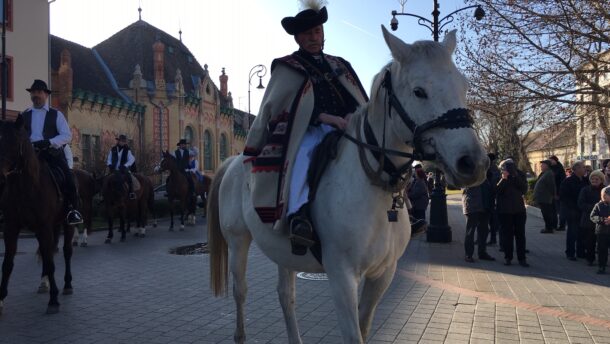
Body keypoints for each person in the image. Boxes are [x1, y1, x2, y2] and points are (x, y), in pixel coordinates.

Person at [242, 2, 368, 252]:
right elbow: (276, 108)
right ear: (298, 37)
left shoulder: (340, 64)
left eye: (317, 32)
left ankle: (399, 204)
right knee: (303, 156)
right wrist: (323, 118)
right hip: (309, 129)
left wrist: (356, 115)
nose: (314, 37)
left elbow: (358, 98)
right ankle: (298, 215)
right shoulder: (288, 67)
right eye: (308, 34)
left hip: (348, 127)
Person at [18, 79, 83, 225]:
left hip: (51, 154)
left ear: (46, 95)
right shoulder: (24, 115)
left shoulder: (56, 114)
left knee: (69, 177)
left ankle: (73, 210)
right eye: (33, 92)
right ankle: (8, 209)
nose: (36, 95)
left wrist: (49, 142)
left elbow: (67, 135)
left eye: (39, 92)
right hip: (30, 154)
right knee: (9, 175)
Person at [496, 159, 529, 267]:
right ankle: (508, 257)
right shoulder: (500, 175)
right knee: (507, 235)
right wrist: (504, 179)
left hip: (519, 210)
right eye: (507, 166)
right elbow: (496, 191)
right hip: (505, 211)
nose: (509, 168)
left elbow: (524, 189)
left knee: (520, 235)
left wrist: (515, 177)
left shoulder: (519, 174)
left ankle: (522, 258)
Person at [462, 178, 496, 263]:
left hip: (485, 206)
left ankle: (482, 253)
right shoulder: (469, 172)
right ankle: (468, 254)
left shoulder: (487, 172)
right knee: (470, 231)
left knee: (484, 231)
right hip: (473, 205)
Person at [560, 161, 588, 261]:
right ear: (576, 169)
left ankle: (581, 251)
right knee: (572, 232)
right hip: (572, 211)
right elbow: (563, 196)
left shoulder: (585, 180)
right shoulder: (568, 181)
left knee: (582, 232)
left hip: (583, 211)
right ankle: (570, 252)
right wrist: (572, 207)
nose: (585, 169)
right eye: (583, 167)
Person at [578, 169, 604, 266]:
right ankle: (590, 259)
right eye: (592, 179)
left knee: (602, 243)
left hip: (602, 221)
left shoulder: (605, 190)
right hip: (588, 220)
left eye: (596, 179)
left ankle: (602, 260)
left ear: (601, 180)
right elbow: (581, 203)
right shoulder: (585, 190)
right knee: (589, 241)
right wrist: (595, 208)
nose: (594, 180)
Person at [106, 134, 136, 199]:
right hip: (114, 169)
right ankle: (104, 195)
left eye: (123, 141)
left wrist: (125, 166)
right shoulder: (113, 149)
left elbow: (132, 159)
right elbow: (109, 158)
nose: (122, 142)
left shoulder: (127, 150)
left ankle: (131, 193)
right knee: (106, 179)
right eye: (121, 141)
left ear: (125, 142)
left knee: (129, 177)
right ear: (118, 141)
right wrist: (110, 164)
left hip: (123, 170)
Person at [589, 186, 610, 274]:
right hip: (601, 231)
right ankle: (602, 266)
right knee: (602, 249)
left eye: (606, 195)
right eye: (602, 195)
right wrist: (601, 219)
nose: (604, 197)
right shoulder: (598, 205)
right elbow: (592, 216)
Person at [533, 160, 557, 233]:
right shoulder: (545, 173)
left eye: (542, 165)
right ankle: (548, 227)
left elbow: (551, 185)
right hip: (542, 197)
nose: (541, 166)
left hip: (545, 198)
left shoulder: (549, 173)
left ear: (547, 165)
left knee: (547, 213)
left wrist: (553, 195)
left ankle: (549, 228)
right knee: (545, 213)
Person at [486, 153, 501, 246]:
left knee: (491, 220)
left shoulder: (492, 170)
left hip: (491, 198)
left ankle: (493, 239)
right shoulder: (494, 169)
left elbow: (493, 185)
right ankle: (492, 238)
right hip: (492, 198)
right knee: (491, 221)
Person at [549, 155, 567, 231]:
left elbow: (562, 182)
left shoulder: (560, 169)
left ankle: (562, 225)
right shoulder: (551, 168)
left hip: (559, 193)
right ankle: (554, 225)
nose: (550, 162)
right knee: (554, 210)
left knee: (560, 210)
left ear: (555, 160)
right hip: (553, 192)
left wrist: (558, 194)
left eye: (551, 160)